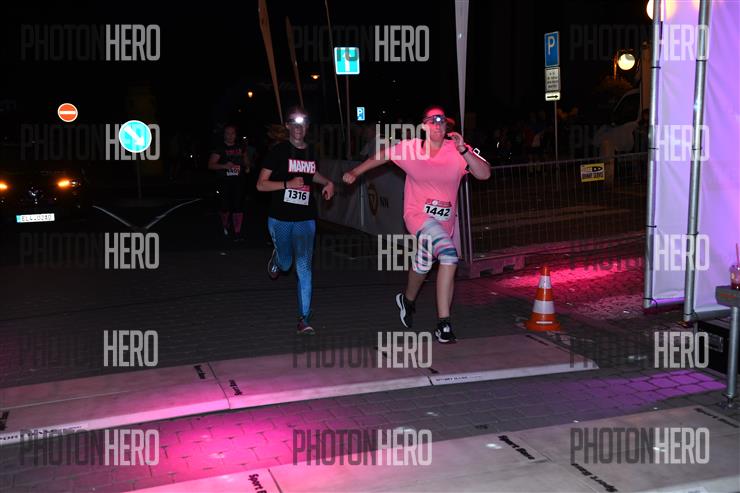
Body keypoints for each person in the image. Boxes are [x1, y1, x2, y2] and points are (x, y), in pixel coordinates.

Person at [343, 105, 491, 343]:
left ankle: (407, 301)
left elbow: (484, 174)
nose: (438, 126)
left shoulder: (456, 150)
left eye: (442, 122)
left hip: (445, 222)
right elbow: (383, 155)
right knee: (449, 255)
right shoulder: (410, 148)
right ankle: (443, 324)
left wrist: (464, 150)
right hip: (417, 215)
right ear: (424, 126)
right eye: (433, 121)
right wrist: (355, 172)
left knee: (423, 264)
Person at [257, 106, 335, 335]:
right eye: (294, 122)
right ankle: (277, 259)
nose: (299, 127)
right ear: (288, 126)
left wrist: (327, 182)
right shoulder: (278, 151)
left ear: (307, 126)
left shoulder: (311, 152)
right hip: (280, 218)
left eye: (303, 122)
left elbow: (312, 174)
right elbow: (261, 185)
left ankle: (304, 318)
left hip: (305, 218)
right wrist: (287, 184)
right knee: (286, 264)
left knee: (304, 268)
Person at [208, 124, 251, 240]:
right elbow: (210, 165)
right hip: (224, 181)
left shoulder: (241, 146)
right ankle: (225, 225)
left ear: (235, 135)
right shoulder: (220, 148)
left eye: (232, 133)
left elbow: (246, 159)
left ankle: (237, 232)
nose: (230, 136)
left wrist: (247, 166)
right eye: (228, 133)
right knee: (225, 206)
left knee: (238, 205)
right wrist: (224, 166)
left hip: (239, 180)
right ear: (224, 135)